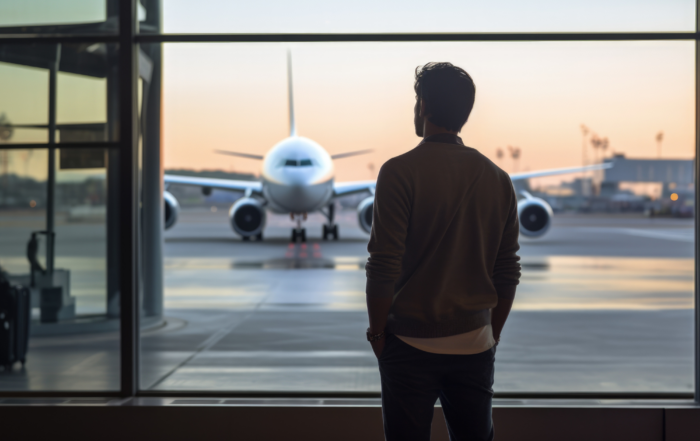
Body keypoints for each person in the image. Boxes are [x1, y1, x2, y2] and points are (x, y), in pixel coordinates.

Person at [365, 62, 521, 441]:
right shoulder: (498, 179)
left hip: (409, 342)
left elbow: (383, 266)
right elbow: (507, 271)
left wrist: (378, 335)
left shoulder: (399, 172)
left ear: (424, 106)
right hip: (475, 341)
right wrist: (491, 334)